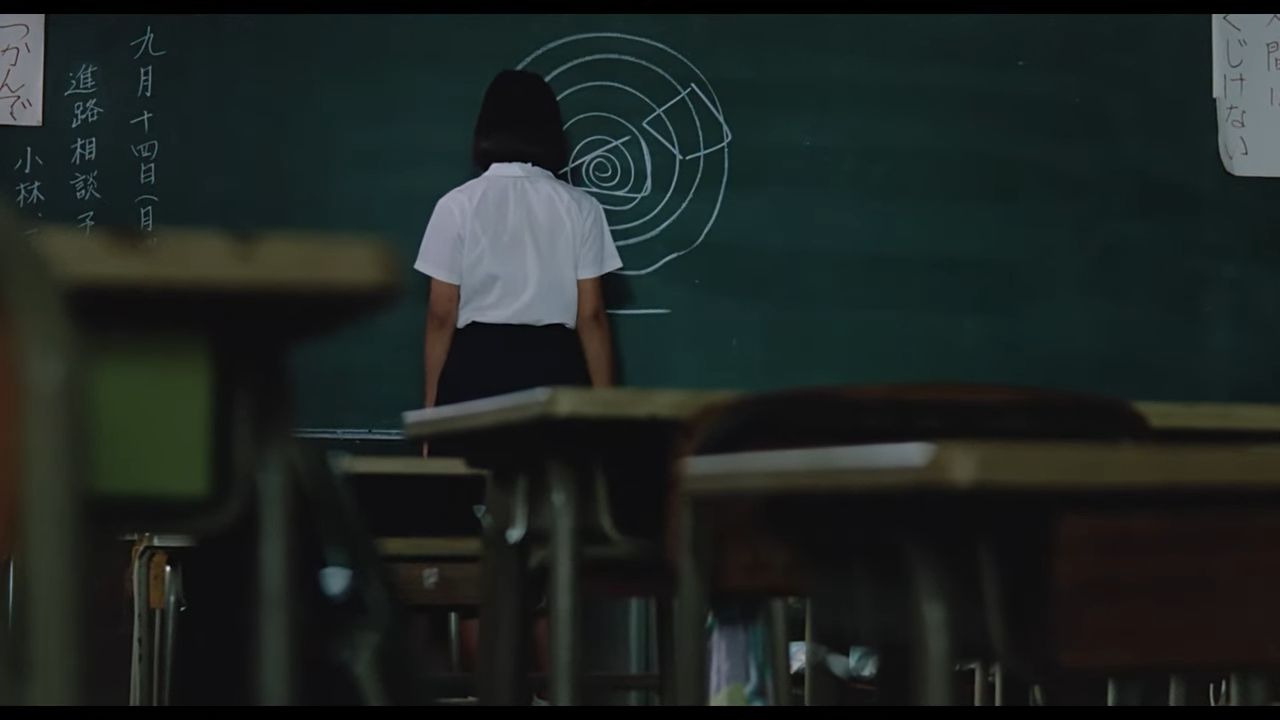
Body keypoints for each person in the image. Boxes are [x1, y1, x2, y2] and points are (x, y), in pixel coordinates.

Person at [412, 68, 623, 700]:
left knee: (480, 563)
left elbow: (441, 315)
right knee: (551, 560)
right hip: (553, 376)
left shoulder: (457, 204)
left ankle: (493, 696)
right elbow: (590, 316)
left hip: (475, 374)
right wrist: (606, 414)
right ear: (550, 134)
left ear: (485, 130)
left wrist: (431, 415)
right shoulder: (580, 206)